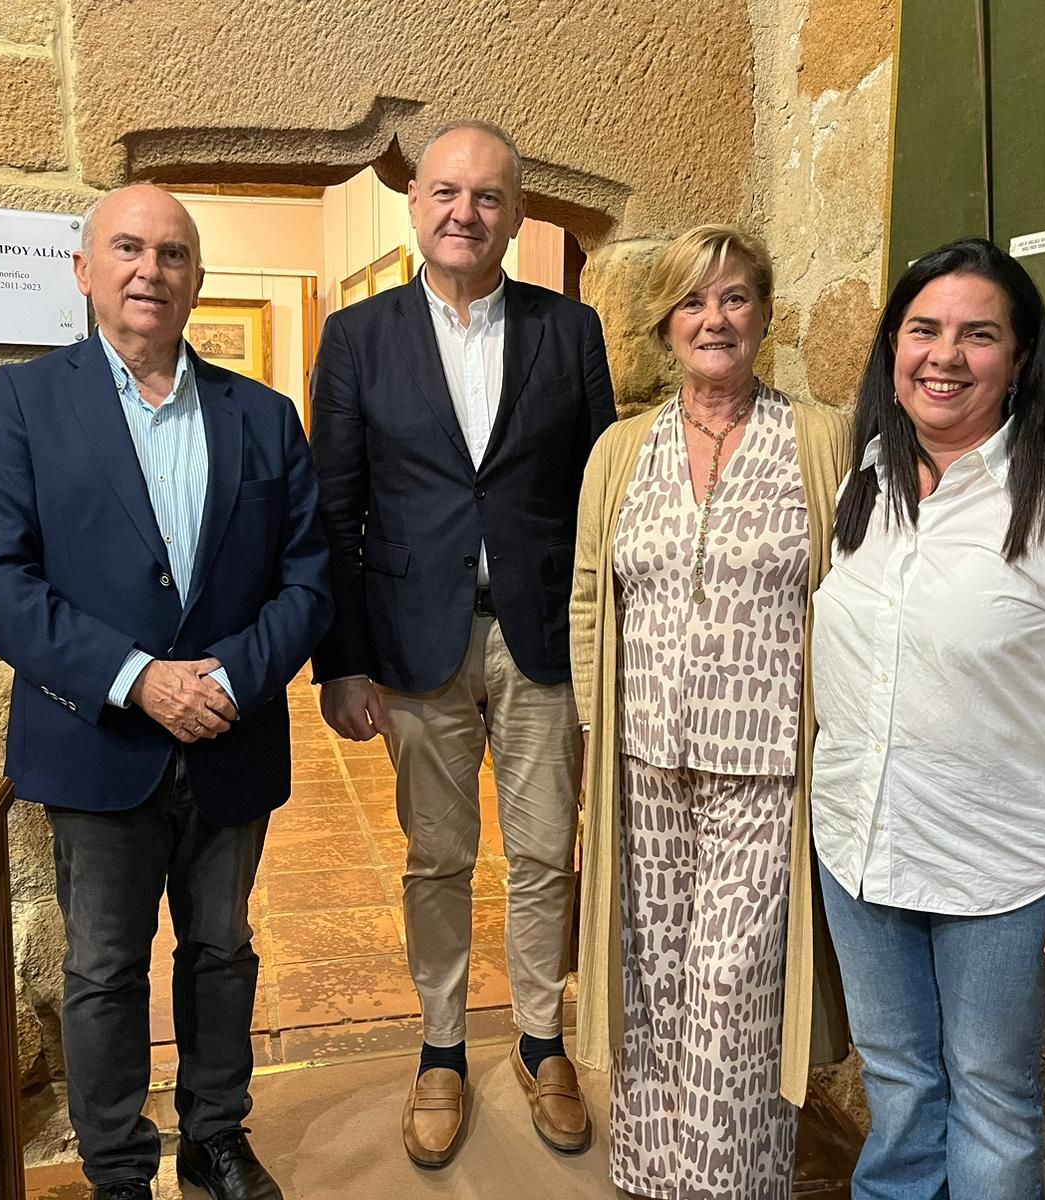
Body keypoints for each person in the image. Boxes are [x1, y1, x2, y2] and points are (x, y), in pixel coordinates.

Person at [0, 184, 332, 1200]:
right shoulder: (27, 404)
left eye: (171, 254)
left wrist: (234, 678)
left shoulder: (262, 415)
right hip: (97, 746)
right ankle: (117, 1167)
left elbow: (309, 579)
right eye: (126, 248)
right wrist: (137, 679)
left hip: (232, 735)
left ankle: (215, 1137)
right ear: (84, 271)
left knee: (221, 952)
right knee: (104, 969)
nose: (148, 271)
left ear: (196, 279)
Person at [810, 237, 1045, 1200]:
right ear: (893, 349)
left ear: (1020, 359)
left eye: (978, 335)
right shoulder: (868, 479)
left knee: (994, 1101)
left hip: (1001, 870)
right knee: (900, 1086)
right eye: (924, 330)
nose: (945, 356)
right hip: (861, 846)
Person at [308, 120, 616, 1167]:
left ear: (517, 213)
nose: (464, 213)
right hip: (411, 644)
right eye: (445, 192)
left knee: (543, 852)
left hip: (540, 645)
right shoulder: (358, 338)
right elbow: (335, 511)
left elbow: (596, 502)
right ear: (415, 204)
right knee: (437, 857)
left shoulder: (568, 333)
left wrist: (598, 647)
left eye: (487, 197)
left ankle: (540, 1039)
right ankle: (441, 1050)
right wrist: (341, 660)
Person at [570, 224, 853, 1200]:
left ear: (765, 316)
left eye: (734, 299)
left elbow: (846, 595)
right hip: (642, 762)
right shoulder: (620, 451)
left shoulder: (816, 441)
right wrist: (595, 738)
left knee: (734, 991)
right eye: (693, 301)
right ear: (665, 324)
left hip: (768, 765)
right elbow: (587, 594)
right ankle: (652, 1175)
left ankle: (728, 1185)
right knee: (652, 982)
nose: (714, 318)